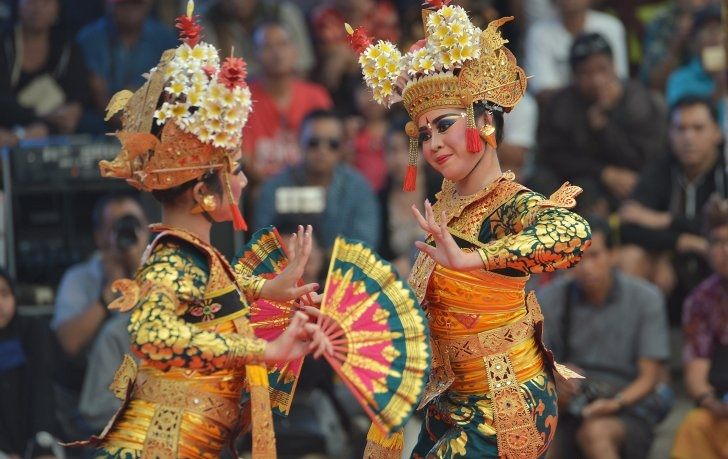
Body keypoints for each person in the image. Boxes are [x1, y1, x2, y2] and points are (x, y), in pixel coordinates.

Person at [79, 4, 331, 457]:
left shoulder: (193, 253)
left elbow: (205, 300)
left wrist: (268, 288)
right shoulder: (176, 257)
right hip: (170, 442)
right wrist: (262, 352)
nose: (246, 179)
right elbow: (151, 332)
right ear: (204, 194)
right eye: (233, 169)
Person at [348, 3, 591, 457]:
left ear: (485, 121)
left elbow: (572, 232)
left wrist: (473, 258)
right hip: (450, 401)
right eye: (424, 135)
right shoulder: (444, 207)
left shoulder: (509, 204)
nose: (434, 143)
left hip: (505, 400)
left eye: (444, 125)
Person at [539, 216, 672, 459]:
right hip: (570, 402)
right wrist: (556, 374)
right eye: (576, 257)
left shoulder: (645, 298)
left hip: (628, 405)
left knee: (595, 433)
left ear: (613, 254)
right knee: (541, 425)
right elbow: (535, 362)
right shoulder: (551, 298)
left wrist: (616, 402)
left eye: (594, 256)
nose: (586, 267)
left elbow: (650, 377)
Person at [618, 95, 726, 323]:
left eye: (698, 128)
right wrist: (683, 242)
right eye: (680, 128)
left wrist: (666, 220)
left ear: (717, 133)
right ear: (670, 133)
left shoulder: (724, 170)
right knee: (631, 256)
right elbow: (628, 227)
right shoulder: (661, 168)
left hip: (717, 265)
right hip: (675, 271)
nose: (688, 137)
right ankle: (640, 351)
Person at [52, 193, 149, 442]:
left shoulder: (163, 272)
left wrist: (140, 271)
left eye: (133, 223)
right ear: (100, 236)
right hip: (97, 400)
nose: (128, 232)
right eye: (117, 225)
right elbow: (67, 344)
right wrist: (108, 295)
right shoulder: (79, 278)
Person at [536, 33, 666, 211]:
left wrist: (605, 127)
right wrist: (603, 173)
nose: (596, 80)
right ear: (574, 75)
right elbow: (553, 155)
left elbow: (644, 156)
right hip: (579, 182)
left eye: (602, 70)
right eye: (586, 73)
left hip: (631, 180)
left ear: (614, 66)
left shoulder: (638, 100)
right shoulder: (561, 104)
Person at [253, 109, 381, 250]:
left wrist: (321, 260)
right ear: (299, 142)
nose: (322, 150)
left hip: (341, 270)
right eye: (313, 143)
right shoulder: (275, 188)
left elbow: (364, 247)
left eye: (333, 144)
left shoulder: (359, 189)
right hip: (287, 267)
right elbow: (262, 245)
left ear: (343, 148)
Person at [671, 196, 728, 459]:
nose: (726, 249)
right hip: (723, 408)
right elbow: (696, 370)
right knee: (696, 424)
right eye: (718, 242)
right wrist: (711, 401)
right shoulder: (701, 299)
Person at [241, 22, 332, 182]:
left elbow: (329, 151)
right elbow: (244, 159)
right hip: (262, 189)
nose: (277, 53)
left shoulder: (316, 96)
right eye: (268, 47)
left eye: (283, 44)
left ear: (295, 51)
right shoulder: (242, 98)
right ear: (255, 55)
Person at [0, 0, 91, 146]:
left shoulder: (67, 47)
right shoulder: (4, 42)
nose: (37, 9)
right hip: (8, 123)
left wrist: (74, 111)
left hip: (51, 128)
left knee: (90, 124)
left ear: (58, 7)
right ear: (17, 5)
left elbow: (79, 93)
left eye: (46, 3)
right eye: (31, 2)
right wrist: (37, 118)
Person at [76, 0, 177, 128]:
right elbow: (98, 96)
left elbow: (171, 90)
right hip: (102, 128)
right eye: (123, 3)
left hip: (154, 124)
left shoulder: (165, 38)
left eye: (136, 3)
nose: (130, 7)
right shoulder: (89, 39)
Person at [0, 267, 63, 459]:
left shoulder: (33, 331)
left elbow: (42, 388)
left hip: (37, 437)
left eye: (4, 294)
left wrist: (41, 443)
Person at [524, 0, 628, 104]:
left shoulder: (611, 26)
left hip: (608, 105)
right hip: (561, 110)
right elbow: (541, 91)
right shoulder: (539, 33)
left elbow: (620, 80)